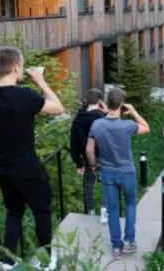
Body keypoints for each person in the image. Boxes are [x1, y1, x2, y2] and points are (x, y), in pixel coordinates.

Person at [0, 47, 64, 270]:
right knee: (42, 210)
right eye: (21, 66)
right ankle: (47, 260)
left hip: (2, 168)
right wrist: (40, 81)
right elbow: (59, 108)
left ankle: (8, 262)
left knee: (14, 212)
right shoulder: (25, 96)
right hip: (28, 167)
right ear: (16, 67)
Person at [85, 87, 150, 259]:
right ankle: (129, 241)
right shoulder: (127, 125)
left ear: (106, 102)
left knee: (113, 210)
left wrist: (93, 166)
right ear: (121, 104)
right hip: (126, 172)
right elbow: (146, 128)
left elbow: (89, 149)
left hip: (107, 173)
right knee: (130, 205)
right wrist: (134, 111)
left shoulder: (96, 125)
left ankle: (116, 247)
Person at [69, 88, 109, 224]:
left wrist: (78, 162)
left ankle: (90, 211)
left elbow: (73, 141)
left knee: (88, 184)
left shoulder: (78, 117)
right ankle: (104, 210)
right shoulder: (101, 117)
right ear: (100, 102)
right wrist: (107, 111)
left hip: (86, 157)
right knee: (107, 182)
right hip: (103, 154)